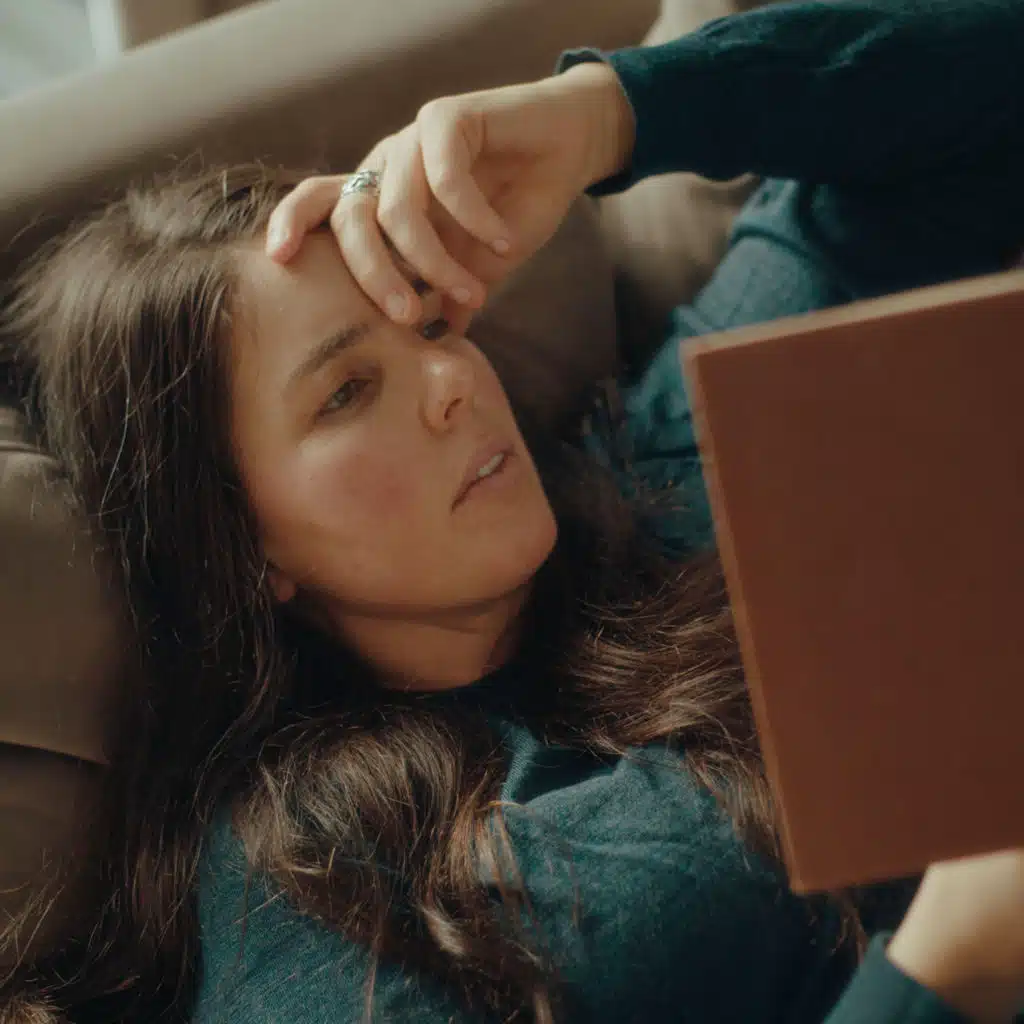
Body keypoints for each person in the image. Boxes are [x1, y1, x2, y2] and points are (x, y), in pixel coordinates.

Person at [2, 1, 1024, 1022]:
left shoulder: (669, 464)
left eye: (431, 322)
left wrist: (612, 113)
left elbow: (990, 121)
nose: (452, 378)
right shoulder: (322, 897)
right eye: (346, 392)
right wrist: (946, 970)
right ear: (240, 547)